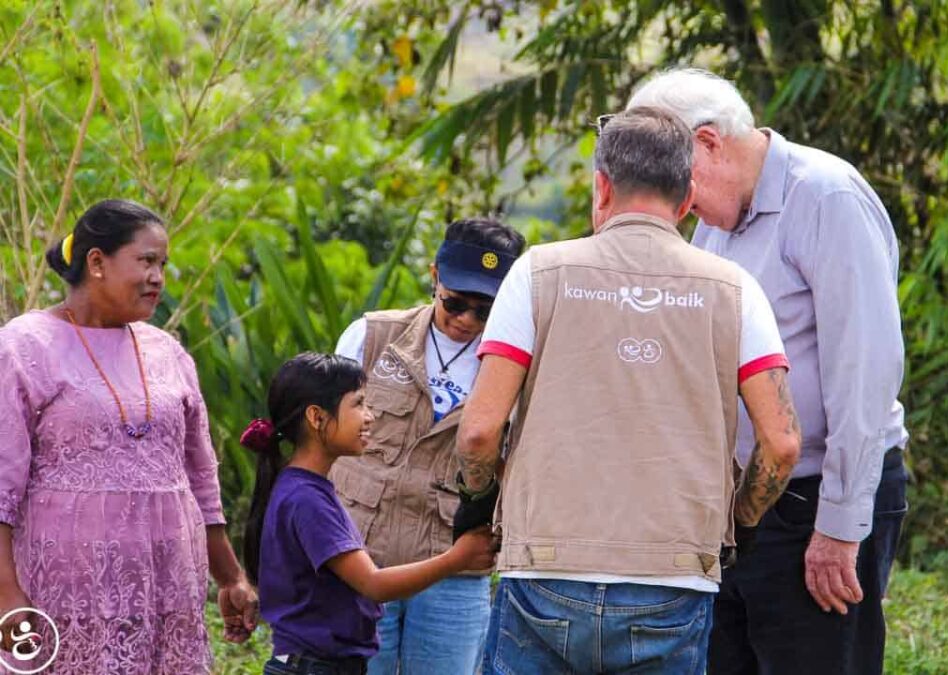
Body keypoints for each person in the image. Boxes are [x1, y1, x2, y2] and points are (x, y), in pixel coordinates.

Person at [453, 107, 802, 674]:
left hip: (545, 569)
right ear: (687, 196)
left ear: (602, 186)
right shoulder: (735, 290)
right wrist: (741, 521)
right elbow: (783, 443)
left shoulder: (537, 274)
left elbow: (478, 431)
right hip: (674, 576)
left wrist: (477, 500)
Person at [628, 68, 910, 675]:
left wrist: (838, 526)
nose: (674, 203)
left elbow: (866, 370)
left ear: (707, 143)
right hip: (741, 503)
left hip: (819, 494)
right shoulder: (714, 223)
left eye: (674, 177)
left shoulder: (827, 197)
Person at [0, 199, 258, 673]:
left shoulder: (167, 352)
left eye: (163, 264)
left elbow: (200, 477)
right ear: (96, 262)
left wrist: (230, 577)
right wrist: (5, 596)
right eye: (146, 261)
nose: (158, 277)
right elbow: (0, 489)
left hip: (167, 589)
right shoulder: (24, 345)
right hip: (64, 596)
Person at [330, 218, 524, 675]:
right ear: (434, 275)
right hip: (359, 557)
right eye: (454, 303)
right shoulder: (372, 337)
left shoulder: (516, 364)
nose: (466, 320)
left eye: (485, 310)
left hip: (455, 570)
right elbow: (322, 440)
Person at [240, 352, 495, 675]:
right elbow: (373, 584)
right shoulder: (307, 499)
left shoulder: (302, 487)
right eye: (358, 404)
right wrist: (456, 559)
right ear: (317, 417)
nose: (370, 416)